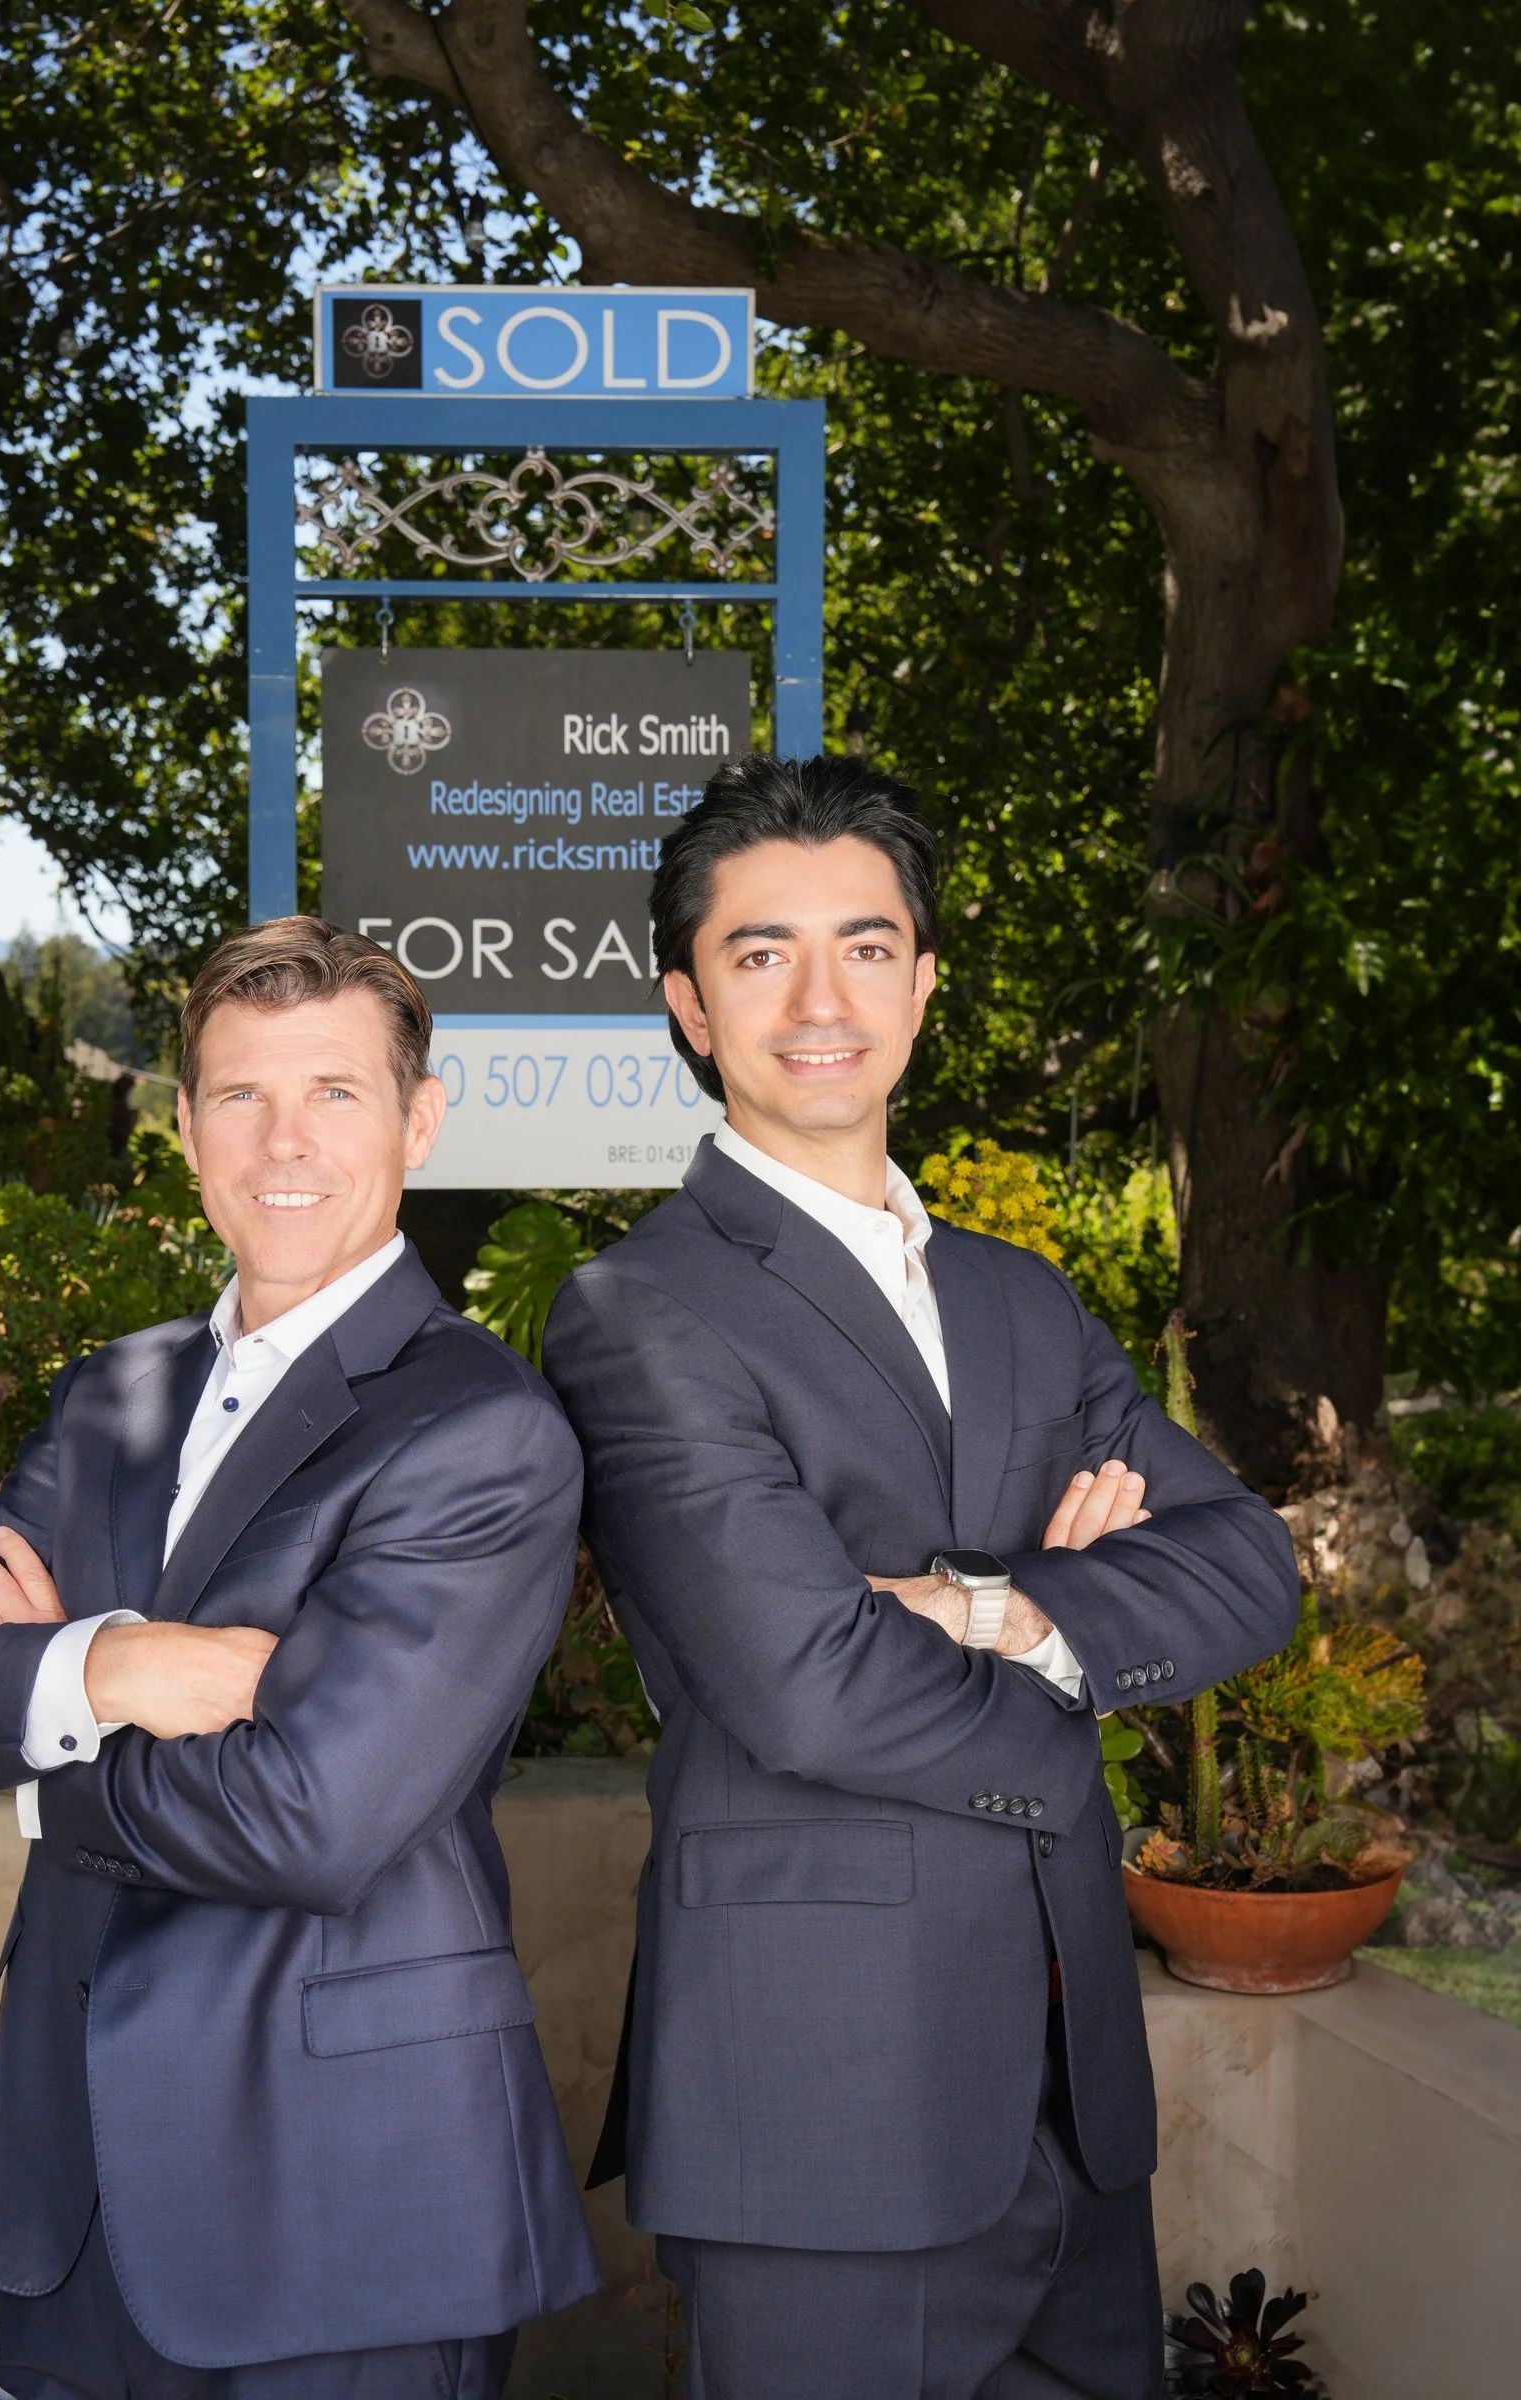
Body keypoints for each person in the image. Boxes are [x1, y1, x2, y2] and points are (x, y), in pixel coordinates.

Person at [540, 755, 1301, 2400]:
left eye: (868, 946)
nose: (823, 998)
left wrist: (990, 1606)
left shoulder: (1026, 1299)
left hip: (1070, 2091)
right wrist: (1083, 1642)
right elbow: (805, 1686)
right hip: (822, 2105)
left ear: (925, 980)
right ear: (687, 1002)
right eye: (761, 954)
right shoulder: (639, 1310)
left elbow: (1247, 1566)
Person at [0, 918, 599, 2400]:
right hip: (71, 2199)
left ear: (419, 1118)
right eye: (239, 1096)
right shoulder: (115, 1392)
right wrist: (113, 1672)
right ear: (184, 1128)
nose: (281, 1141)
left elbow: (308, 1814)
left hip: (340, 2209)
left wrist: (37, 1758)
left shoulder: (480, 1430)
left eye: (335, 1092)